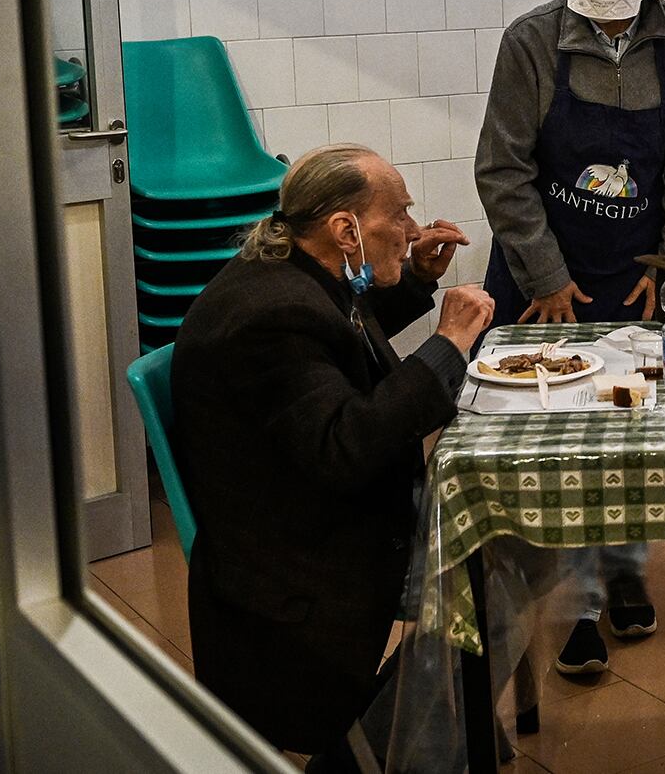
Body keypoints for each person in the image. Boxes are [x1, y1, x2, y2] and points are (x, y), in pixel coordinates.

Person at [171, 144, 496, 762]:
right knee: (497, 565)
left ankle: (436, 725)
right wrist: (450, 343)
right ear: (346, 229)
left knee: (495, 551)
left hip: (310, 520)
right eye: (398, 216)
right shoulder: (273, 317)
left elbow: (343, 339)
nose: (412, 230)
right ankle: (383, 744)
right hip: (300, 571)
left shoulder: (293, 276)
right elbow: (350, 444)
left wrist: (416, 276)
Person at [475, 0, 665, 678]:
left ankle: (624, 577)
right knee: (561, 441)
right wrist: (544, 276)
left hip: (636, 272)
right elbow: (503, 171)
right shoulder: (531, 41)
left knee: (632, 431)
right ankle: (572, 605)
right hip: (543, 279)